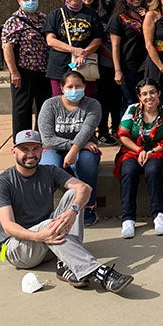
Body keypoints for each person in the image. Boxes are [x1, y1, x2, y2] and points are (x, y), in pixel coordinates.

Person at [0, 130, 133, 293]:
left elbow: (85, 188)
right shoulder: (1, 182)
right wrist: (38, 236)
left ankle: (64, 265)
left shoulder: (48, 171)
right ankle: (101, 273)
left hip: (50, 239)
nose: (30, 154)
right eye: (24, 149)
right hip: (18, 249)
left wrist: (72, 211)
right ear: (14, 151)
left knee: (75, 194)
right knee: (50, 224)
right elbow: (8, 226)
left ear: (42, 150)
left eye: (35, 149)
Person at [38, 70, 102, 226]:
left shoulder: (92, 105)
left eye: (78, 86)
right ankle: (44, 210)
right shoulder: (50, 105)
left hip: (84, 150)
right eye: (70, 86)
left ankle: (88, 205)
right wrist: (74, 146)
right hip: (54, 148)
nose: (74, 90)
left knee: (87, 161)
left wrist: (74, 150)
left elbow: (86, 131)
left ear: (85, 87)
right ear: (61, 88)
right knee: (49, 166)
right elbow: (47, 138)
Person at [114, 78, 163, 238]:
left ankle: (158, 215)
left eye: (152, 92)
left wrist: (151, 151)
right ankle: (128, 218)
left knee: (153, 170)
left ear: (158, 93)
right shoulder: (132, 110)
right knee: (128, 170)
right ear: (139, 97)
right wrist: (140, 150)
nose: (149, 97)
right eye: (144, 94)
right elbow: (123, 136)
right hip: (132, 148)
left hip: (158, 149)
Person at [1, 0, 51, 137]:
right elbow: (7, 47)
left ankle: (42, 140)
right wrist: (14, 72)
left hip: (44, 72)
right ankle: (22, 142)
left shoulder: (44, 18)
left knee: (44, 108)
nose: (31, 1)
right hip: (23, 72)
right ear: (19, 1)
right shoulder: (13, 22)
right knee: (23, 109)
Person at [43, 0, 104, 97]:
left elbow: (98, 39)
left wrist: (84, 53)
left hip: (84, 66)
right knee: (59, 102)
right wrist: (74, 50)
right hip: (59, 67)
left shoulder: (92, 15)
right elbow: (50, 40)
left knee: (85, 102)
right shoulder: (55, 14)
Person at [90, 0, 121, 146]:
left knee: (118, 100)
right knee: (104, 101)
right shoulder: (97, 17)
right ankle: (102, 131)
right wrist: (115, 59)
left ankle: (117, 128)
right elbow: (99, 43)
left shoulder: (122, 15)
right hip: (105, 65)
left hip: (121, 66)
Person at [110, 0, 148, 112]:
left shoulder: (148, 14)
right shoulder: (118, 18)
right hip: (128, 68)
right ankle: (125, 132)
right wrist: (117, 70)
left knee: (147, 102)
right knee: (130, 102)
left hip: (147, 66)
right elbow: (115, 46)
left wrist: (148, 17)